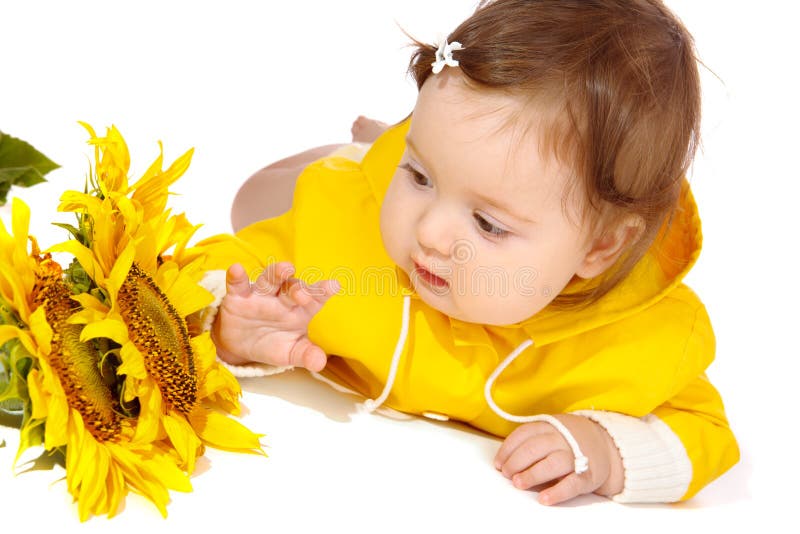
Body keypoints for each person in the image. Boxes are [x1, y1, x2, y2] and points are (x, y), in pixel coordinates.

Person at [194, 0, 739, 506]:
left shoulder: (638, 339)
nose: (430, 234)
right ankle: (373, 152)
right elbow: (215, 267)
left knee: (453, 172)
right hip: (355, 182)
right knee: (251, 200)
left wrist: (601, 448)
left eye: (488, 224)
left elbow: (702, 430)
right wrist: (229, 326)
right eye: (420, 174)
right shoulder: (347, 245)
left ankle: (405, 151)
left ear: (600, 246)